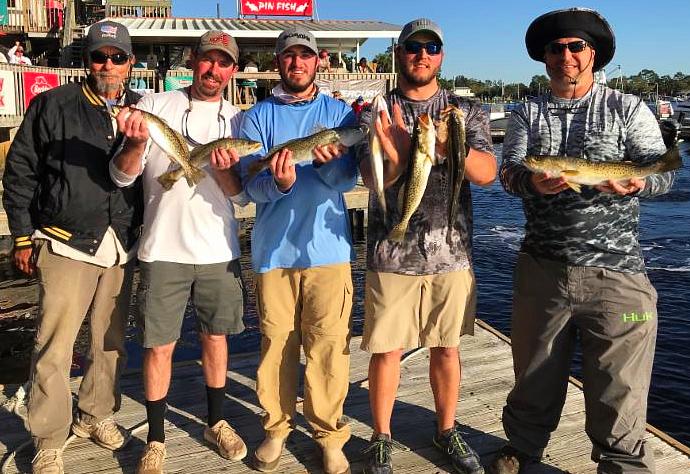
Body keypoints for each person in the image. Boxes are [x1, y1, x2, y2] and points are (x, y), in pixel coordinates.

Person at [489, 8, 675, 474]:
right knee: (533, 374)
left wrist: (639, 183)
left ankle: (622, 463)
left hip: (618, 273)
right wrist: (533, 182)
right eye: (556, 48)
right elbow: (509, 173)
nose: (566, 55)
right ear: (544, 57)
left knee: (620, 384)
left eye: (576, 46)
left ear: (593, 53)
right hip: (542, 269)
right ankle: (523, 446)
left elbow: (661, 174)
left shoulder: (627, 108)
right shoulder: (527, 112)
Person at [357, 18, 496, 474]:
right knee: (386, 350)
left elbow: (486, 173)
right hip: (390, 252)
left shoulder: (464, 111)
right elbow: (370, 177)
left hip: (451, 253)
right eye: (413, 47)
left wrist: (449, 147)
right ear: (399, 53)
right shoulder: (378, 110)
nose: (422, 55)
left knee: (447, 347)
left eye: (431, 48)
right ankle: (381, 436)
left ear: (441, 56)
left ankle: (446, 428)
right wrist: (398, 159)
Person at [2, 21, 141, 474]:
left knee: (110, 341)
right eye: (99, 56)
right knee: (54, 346)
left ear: (130, 63)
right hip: (65, 242)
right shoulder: (52, 104)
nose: (108, 65)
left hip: (120, 243)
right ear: (87, 61)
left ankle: (95, 414)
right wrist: (23, 236)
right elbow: (20, 171)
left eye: (117, 57)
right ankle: (48, 437)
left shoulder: (142, 108)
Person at [111, 30, 249, 474]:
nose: (214, 69)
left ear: (233, 70)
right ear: (193, 60)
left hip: (218, 248)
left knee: (216, 338)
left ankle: (216, 422)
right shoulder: (154, 106)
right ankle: (155, 439)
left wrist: (225, 174)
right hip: (162, 247)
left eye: (223, 62)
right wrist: (135, 142)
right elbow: (122, 177)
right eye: (207, 59)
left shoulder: (239, 121)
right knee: (159, 347)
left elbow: (243, 196)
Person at [239, 26, 358, 474]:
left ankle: (328, 434)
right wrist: (282, 183)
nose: (297, 63)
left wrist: (328, 169)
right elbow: (250, 187)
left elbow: (347, 180)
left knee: (329, 347)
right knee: (276, 345)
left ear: (318, 60)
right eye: (289, 55)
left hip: (329, 252)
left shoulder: (339, 114)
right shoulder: (257, 117)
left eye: (305, 55)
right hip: (274, 253)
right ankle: (276, 428)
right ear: (278, 62)